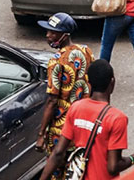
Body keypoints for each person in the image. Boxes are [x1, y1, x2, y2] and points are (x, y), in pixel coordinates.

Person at [39, 59, 134, 180]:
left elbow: (58, 153)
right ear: (112, 82)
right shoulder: (116, 118)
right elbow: (113, 167)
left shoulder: (76, 108)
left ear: (89, 83)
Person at [35, 13, 94, 160]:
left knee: (58, 166)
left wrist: (41, 134)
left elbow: (52, 101)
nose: (47, 35)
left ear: (65, 35)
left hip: (63, 126)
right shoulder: (86, 51)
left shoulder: (56, 61)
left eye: (53, 32)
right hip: (84, 121)